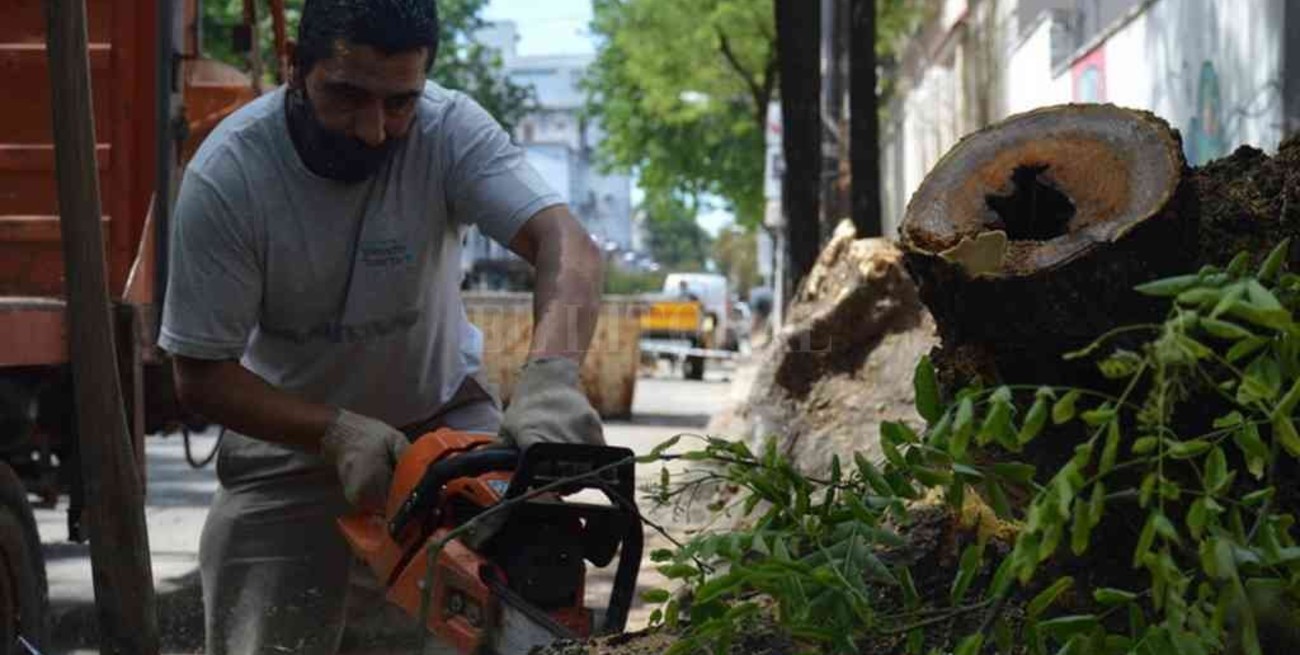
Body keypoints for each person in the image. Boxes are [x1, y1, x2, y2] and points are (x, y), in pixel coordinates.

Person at [157, 1, 606, 652]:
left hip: (445, 430)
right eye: (347, 96)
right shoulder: (231, 174)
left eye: (399, 103)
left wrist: (552, 377)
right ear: (295, 67)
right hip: (287, 444)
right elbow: (200, 376)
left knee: (517, 593)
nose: (373, 130)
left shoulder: (449, 130)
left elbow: (567, 244)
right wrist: (333, 432)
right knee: (261, 632)